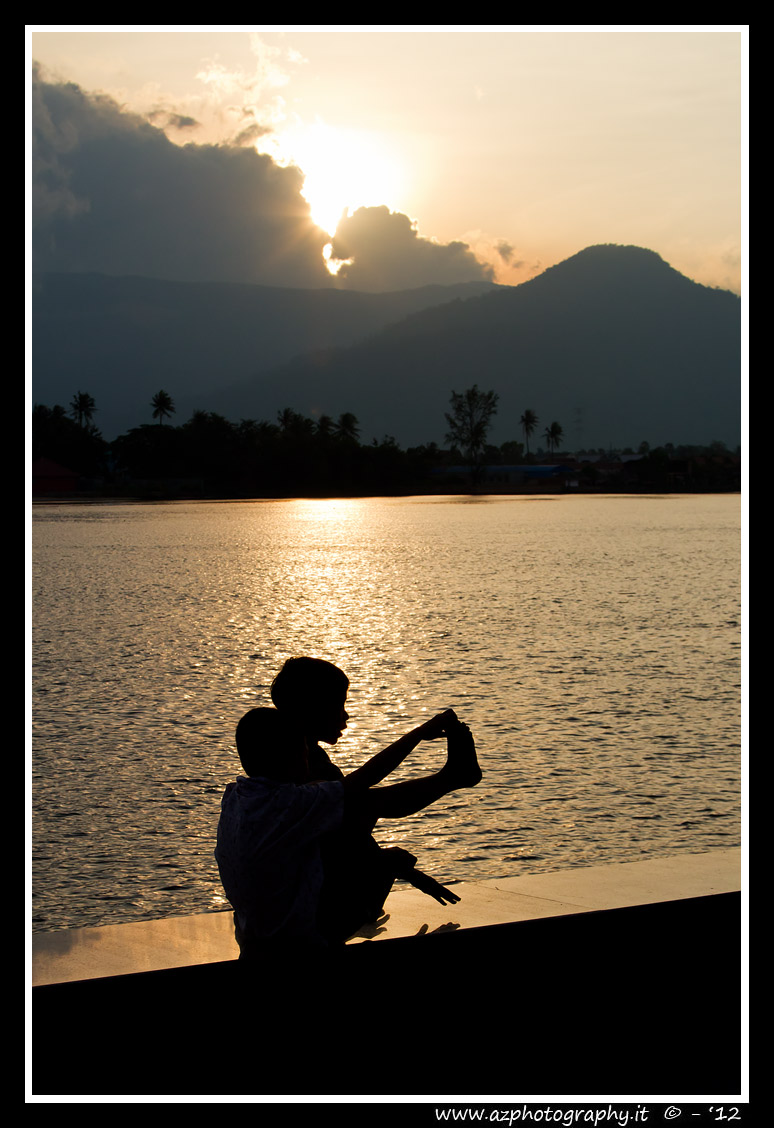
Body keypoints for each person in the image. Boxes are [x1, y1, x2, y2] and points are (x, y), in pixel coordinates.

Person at [214, 662, 481, 956]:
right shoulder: (293, 791)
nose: (346, 715)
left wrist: (394, 866)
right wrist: (420, 734)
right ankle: (453, 777)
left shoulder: (238, 794)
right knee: (362, 807)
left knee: (362, 816)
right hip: (297, 937)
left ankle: (452, 777)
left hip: (255, 934)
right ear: (309, 709)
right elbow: (362, 789)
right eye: (339, 704)